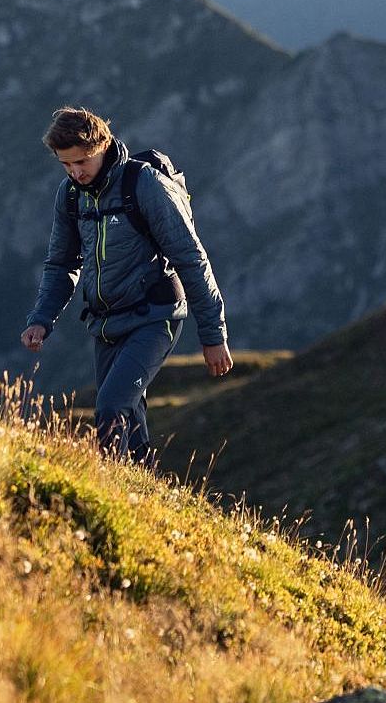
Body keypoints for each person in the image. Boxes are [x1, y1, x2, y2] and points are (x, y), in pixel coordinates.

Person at [19, 107, 232, 461]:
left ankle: (107, 493)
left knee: (110, 408)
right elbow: (61, 264)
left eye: (82, 162)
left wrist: (213, 335)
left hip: (155, 317)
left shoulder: (144, 184)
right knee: (130, 425)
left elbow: (190, 258)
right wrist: (41, 319)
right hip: (105, 323)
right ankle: (142, 496)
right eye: (65, 165)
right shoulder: (70, 195)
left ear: (102, 145)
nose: (75, 172)